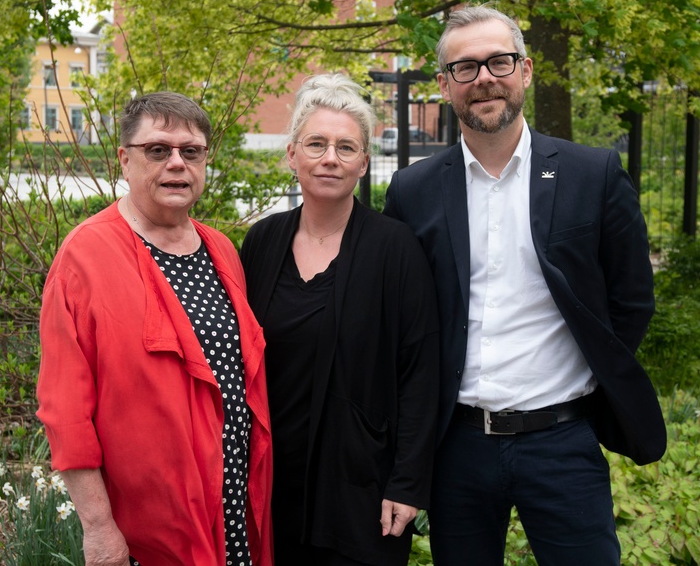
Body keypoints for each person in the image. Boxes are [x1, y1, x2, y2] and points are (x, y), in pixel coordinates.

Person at [383, 6, 667, 566]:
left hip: (561, 440)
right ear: (444, 85)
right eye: (464, 68)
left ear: (526, 70)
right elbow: (405, 321)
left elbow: (632, 300)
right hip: (456, 446)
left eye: (498, 61)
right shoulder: (411, 191)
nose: (484, 78)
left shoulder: (594, 173)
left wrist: (593, 371)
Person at [37, 92, 273, 566]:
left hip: (233, 506)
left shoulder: (221, 250)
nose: (177, 164)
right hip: (151, 527)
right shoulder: (86, 256)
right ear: (125, 160)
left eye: (191, 151)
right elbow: (66, 411)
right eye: (158, 150)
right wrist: (99, 528)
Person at [239, 73, 439, 566]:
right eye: (317, 144)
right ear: (292, 154)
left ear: (364, 162)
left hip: (360, 489)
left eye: (346, 147)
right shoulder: (262, 243)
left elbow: (422, 372)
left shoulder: (396, 248)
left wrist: (408, 482)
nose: (331, 158)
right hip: (272, 481)